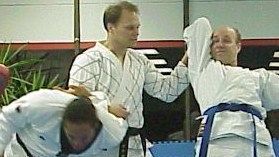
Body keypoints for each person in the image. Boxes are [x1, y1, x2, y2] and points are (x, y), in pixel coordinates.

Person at [68, 1, 189, 157]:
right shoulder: (88, 60)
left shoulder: (140, 61)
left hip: (135, 145)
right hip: (99, 145)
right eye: (130, 28)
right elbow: (75, 105)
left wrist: (188, 58)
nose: (136, 32)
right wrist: (106, 108)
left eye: (137, 27)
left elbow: (167, 92)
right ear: (111, 28)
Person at [183, 17, 279, 157]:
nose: (220, 44)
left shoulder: (258, 77)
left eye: (227, 40)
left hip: (255, 141)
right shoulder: (203, 69)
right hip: (216, 140)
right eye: (215, 41)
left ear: (238, 46)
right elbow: (200, 25)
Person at [0, 85, 128, 157]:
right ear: (62, 122)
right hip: (23, 152)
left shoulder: (112, 133)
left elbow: (108, 112)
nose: (77, 143)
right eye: (71, 136)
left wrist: (101, 103)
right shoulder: (42, 105)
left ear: (95, 127)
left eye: (84, 138)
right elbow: (7, 117)